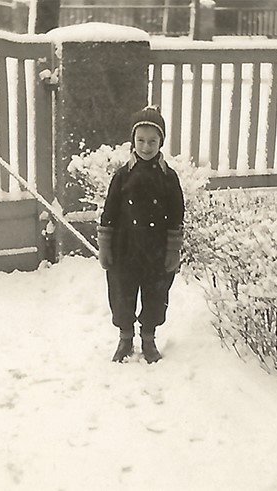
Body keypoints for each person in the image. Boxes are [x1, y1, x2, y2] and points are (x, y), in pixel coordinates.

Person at [96, 106, 185, 363]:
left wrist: (172, 250)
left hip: (156, 250)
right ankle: (125, 338)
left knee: (155, 295)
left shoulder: (168, 178)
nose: (146, 147)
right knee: (122, 294)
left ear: (161, 142)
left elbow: (176, 216)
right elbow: (109, 212)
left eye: (153, 141)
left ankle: (148, 338)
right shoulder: (123, 176)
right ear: (133, 141)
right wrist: (106, 247)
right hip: (126, 249)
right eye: (141, 140)